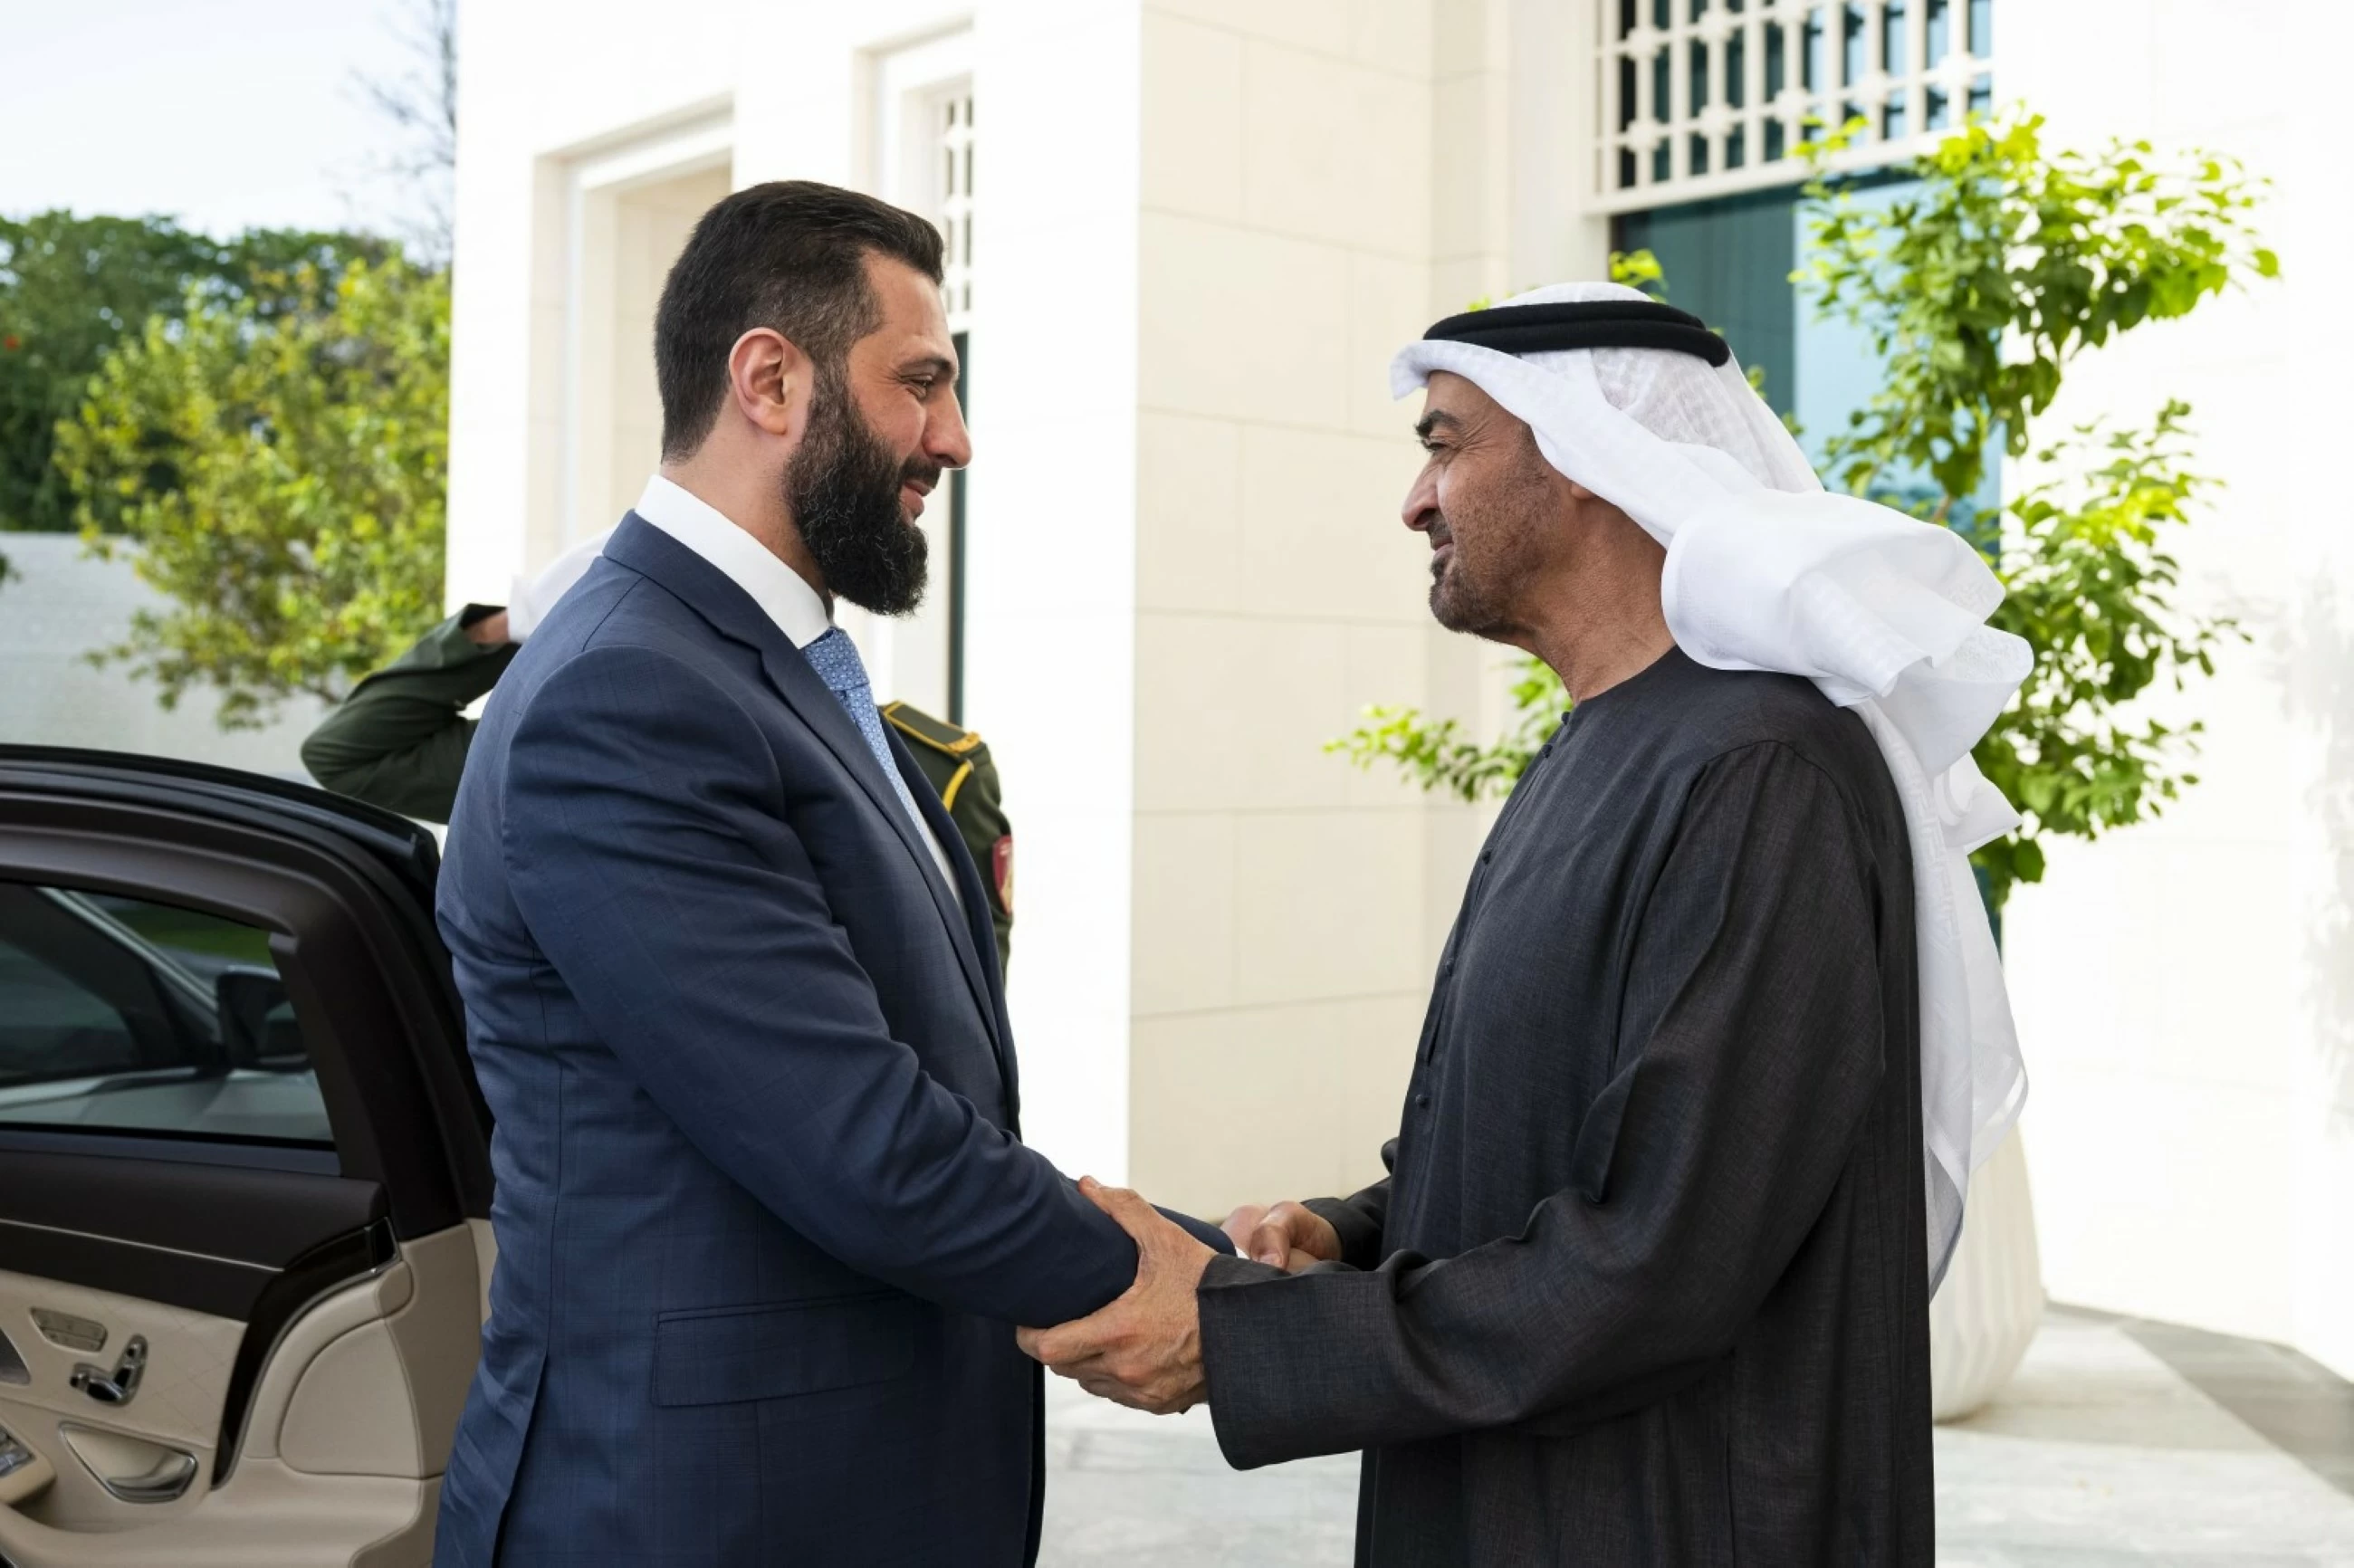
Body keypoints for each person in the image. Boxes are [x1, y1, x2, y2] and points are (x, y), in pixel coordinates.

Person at [1016, 285, 2033, 1566]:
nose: (1415, 502)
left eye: (1444, 447)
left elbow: (1658, 1261)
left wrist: (1238, 1340)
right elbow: (1554, 1130)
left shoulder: (1759, 770)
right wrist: (1348, 1231)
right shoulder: (1616, 739)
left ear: (1590, 457)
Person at [429, 180, 1225, 1568]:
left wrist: (1213, 1249)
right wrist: (1214, 1291)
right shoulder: (630, 693)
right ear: (770, 380)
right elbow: (866, 1145)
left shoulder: (760, 672)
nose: (953, 438)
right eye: (921, 383)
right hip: (692, 1515)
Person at [300, 557, 1018, 973]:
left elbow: (963, 1020)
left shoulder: (934, 770)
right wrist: (515, 624)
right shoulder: (593, 740)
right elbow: (352, 754)